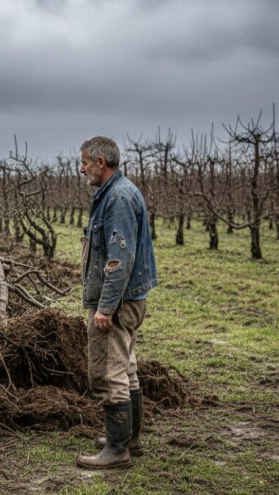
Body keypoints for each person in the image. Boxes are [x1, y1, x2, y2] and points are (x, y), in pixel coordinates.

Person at [75, 136, 158, 470]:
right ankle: (129, 439)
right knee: (127, 368)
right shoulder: (116, 192)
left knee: (109, 373)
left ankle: (117, 450)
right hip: (130, 299)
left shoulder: (118, 198)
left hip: (118, 302)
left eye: (83, 162)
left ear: (100, 162)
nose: (81, 169)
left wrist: (105, 308)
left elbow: (118, 260)